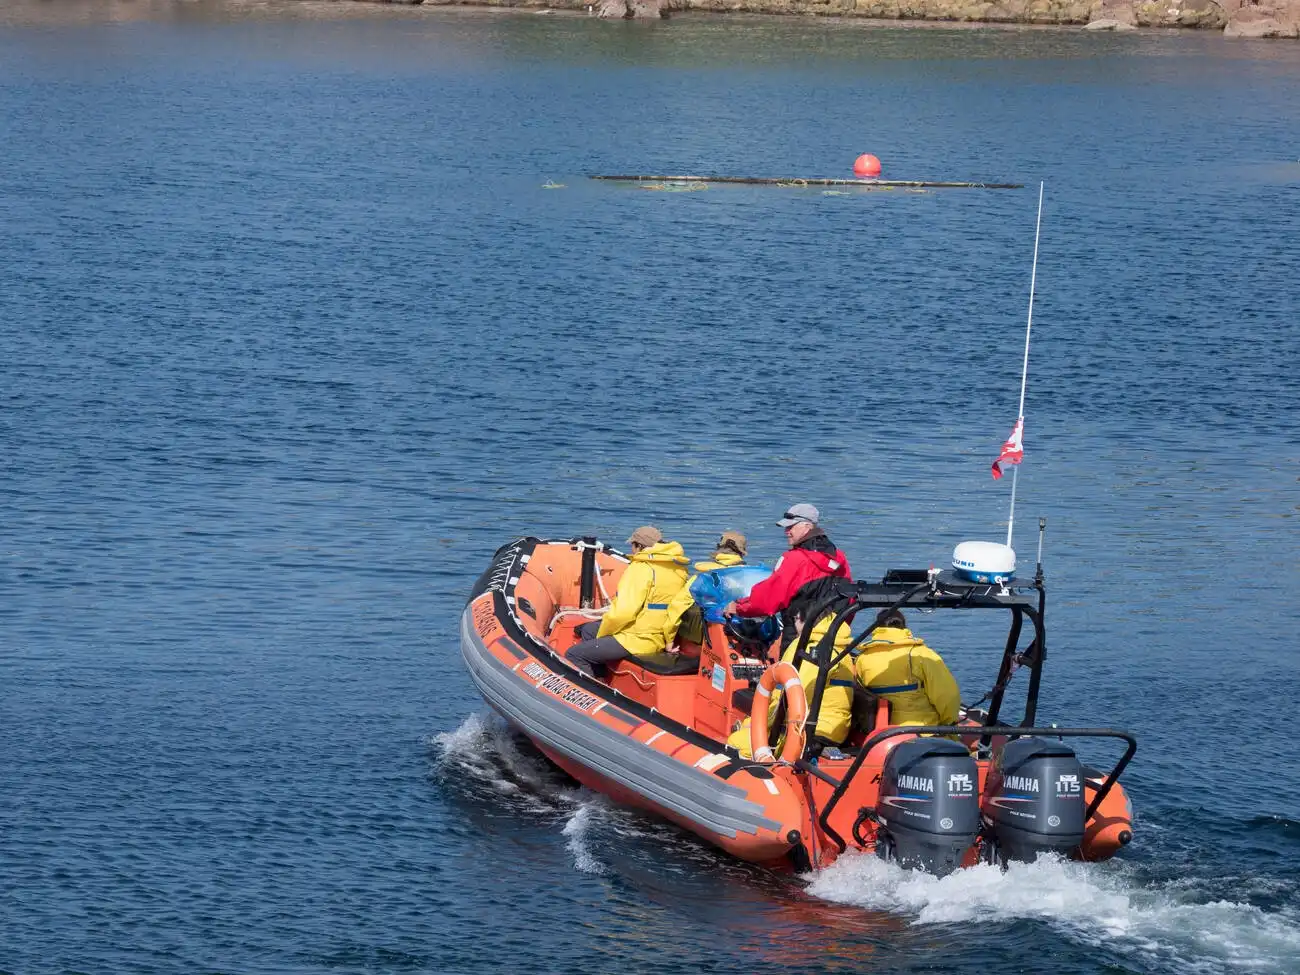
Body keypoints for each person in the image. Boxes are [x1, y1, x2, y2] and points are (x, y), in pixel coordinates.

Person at [723, 504, 856, 756]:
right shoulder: (839, 558)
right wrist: (837, 631)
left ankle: (774, 739)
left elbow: (768, 598)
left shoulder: (794, 559)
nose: (787, 533)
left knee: (789, 686)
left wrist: (738, 607)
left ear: (807, 526)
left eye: (791, 527)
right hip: (834, 637)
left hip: (799, 637)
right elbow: (849, 600)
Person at [565, 526, 689, 677]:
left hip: (637, 638)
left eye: (633, 545)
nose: (631, 549)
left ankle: (593, 690)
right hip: (657, 635)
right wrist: (669, 639)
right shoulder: (678, 570)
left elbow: (623, 613)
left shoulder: (641, 569)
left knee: (575, 654)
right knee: (589, 630)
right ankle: (603, 676)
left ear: (639, 546)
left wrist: (605, 631)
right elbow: (675, 609)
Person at [853, 609, 961, 727]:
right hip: (923, 732)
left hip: (881, 733)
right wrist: (949, 723)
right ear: (903, 626)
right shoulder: (922, 655)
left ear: (876, 628)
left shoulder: (862, 659)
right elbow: (947, 696)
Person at [661, 531, 748, 648]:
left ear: (719, 549)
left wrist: (669, 640)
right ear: (742, 553)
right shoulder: (749, 577)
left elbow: (677, 607)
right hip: (743, 633)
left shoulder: (703, 576)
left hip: (706, 636)